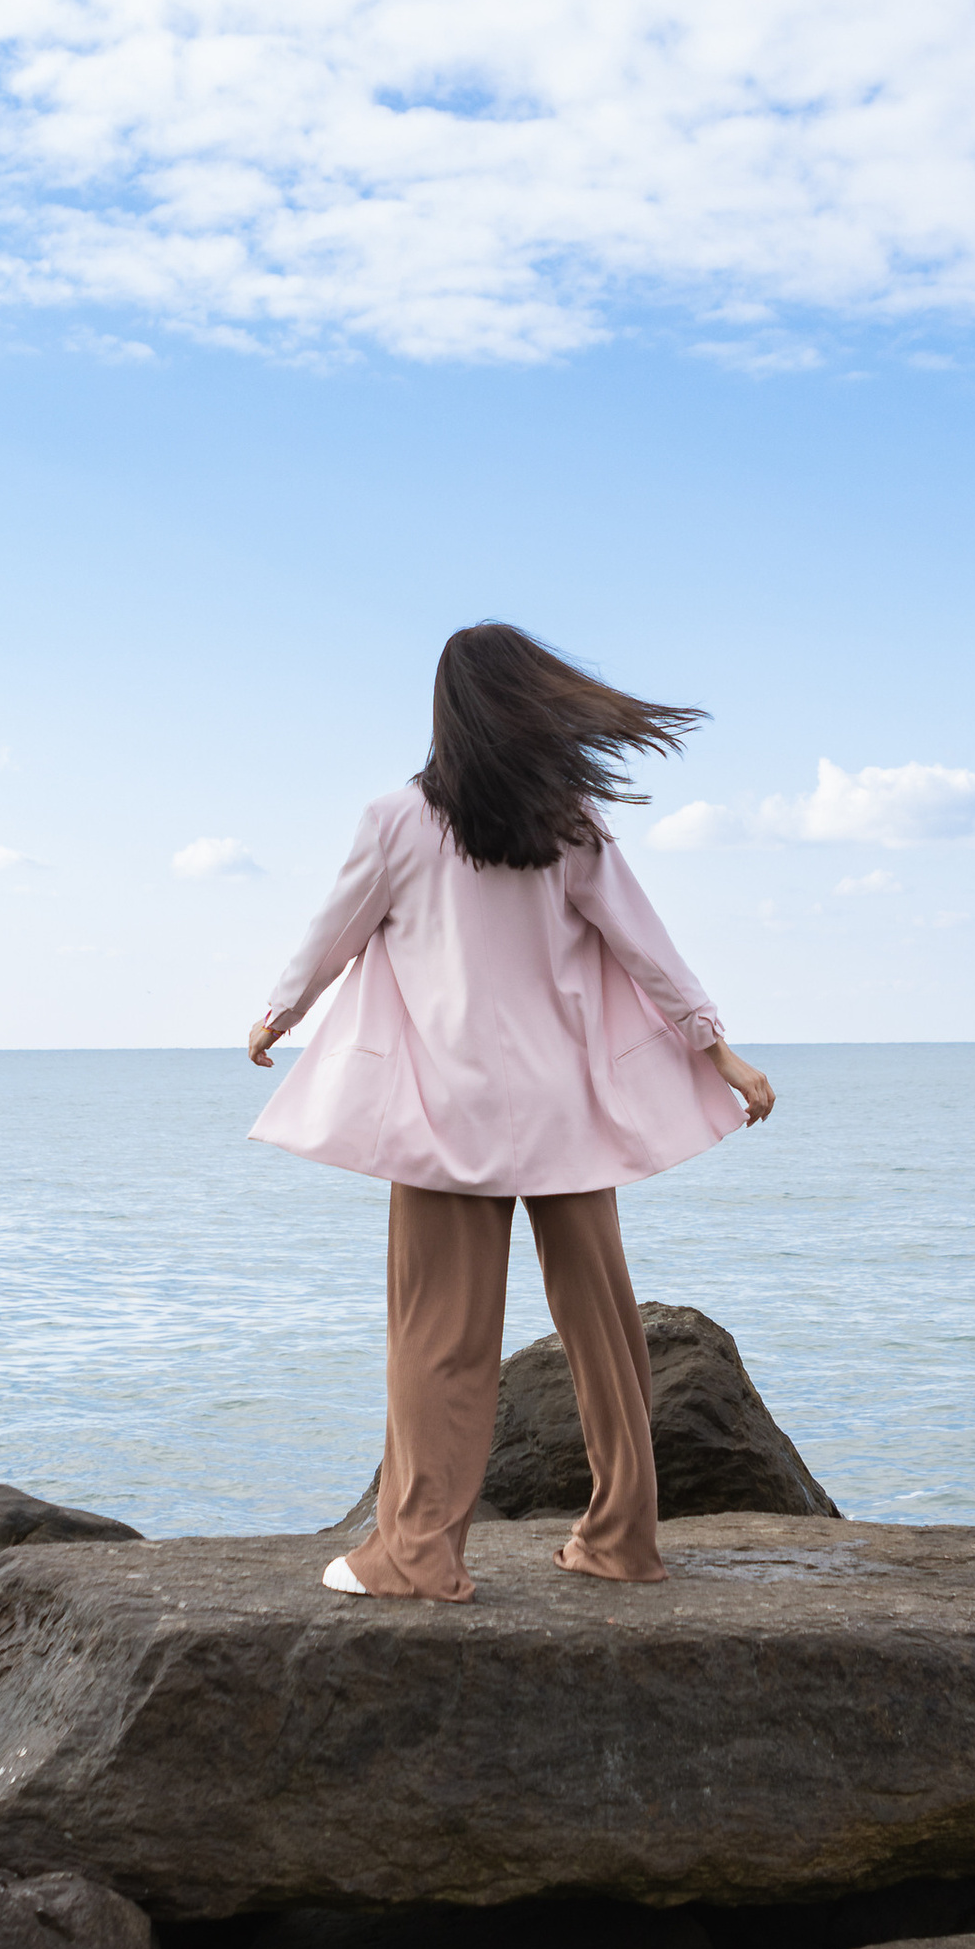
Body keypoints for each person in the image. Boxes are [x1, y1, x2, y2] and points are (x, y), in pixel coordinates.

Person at [245, 623, 775, 1603]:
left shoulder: (398, 819)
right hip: (565, 1107)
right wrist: (717, 1049)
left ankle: (419, 1554)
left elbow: (332, 932)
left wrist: (280, 1012)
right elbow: (647, 947)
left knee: (441, 1336)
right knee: (605, 1328)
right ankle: (621, 1539)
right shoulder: (566, 821)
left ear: (447, 710)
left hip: (447, 1115)